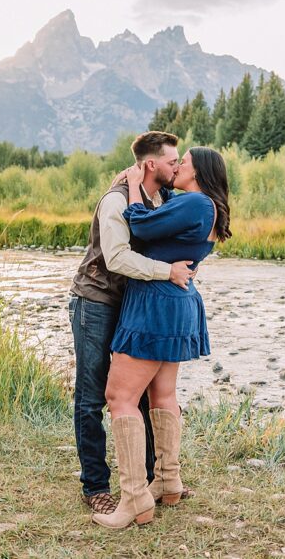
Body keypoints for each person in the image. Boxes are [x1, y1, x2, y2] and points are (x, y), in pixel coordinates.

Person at [91, 146, 232, 529]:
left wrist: (136, 184)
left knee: (120, 397)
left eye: (182, 162)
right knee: (162, 394)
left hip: (155, 303)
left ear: (199, 170)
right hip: (174, 302)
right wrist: (146, 183)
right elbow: (160, 217)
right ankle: (168, 480)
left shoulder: (198, 205)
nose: (177, 167)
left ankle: (134, 498)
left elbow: (140, 225)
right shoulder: (198, 205)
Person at [68, 131, 196, 515]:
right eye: (173, 161)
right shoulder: (116, 200)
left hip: (134, 305)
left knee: (137, 394)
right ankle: (94, 486)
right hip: (96, 302)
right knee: (92, 398)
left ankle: (149, 481)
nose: (177, 167)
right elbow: (117, 259)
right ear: (151, 164)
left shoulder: (160, 197)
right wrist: (167, 272)